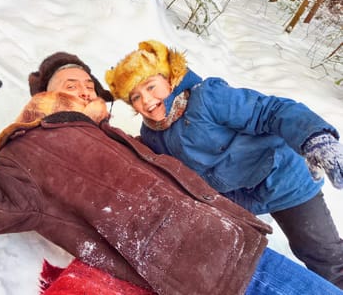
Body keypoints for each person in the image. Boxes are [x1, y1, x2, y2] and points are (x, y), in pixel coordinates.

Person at [0, 47, 342, 295]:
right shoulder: (29, 147)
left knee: (327, 261)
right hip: (210, 276)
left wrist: (306, 138)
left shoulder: (119, 137)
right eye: (69, 84)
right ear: (43, 95)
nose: (83, 88)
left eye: (86, 83)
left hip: (243, 245)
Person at [106, 39, 343, 288]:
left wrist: (314, 137)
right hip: (238, 202)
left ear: (170, 79)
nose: (146, 99)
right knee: (233, 265)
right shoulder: (153, 134)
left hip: (284, 179)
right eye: (135, 96)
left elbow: (269, 111)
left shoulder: (207, 97)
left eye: (151, 86)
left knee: (323, 255)